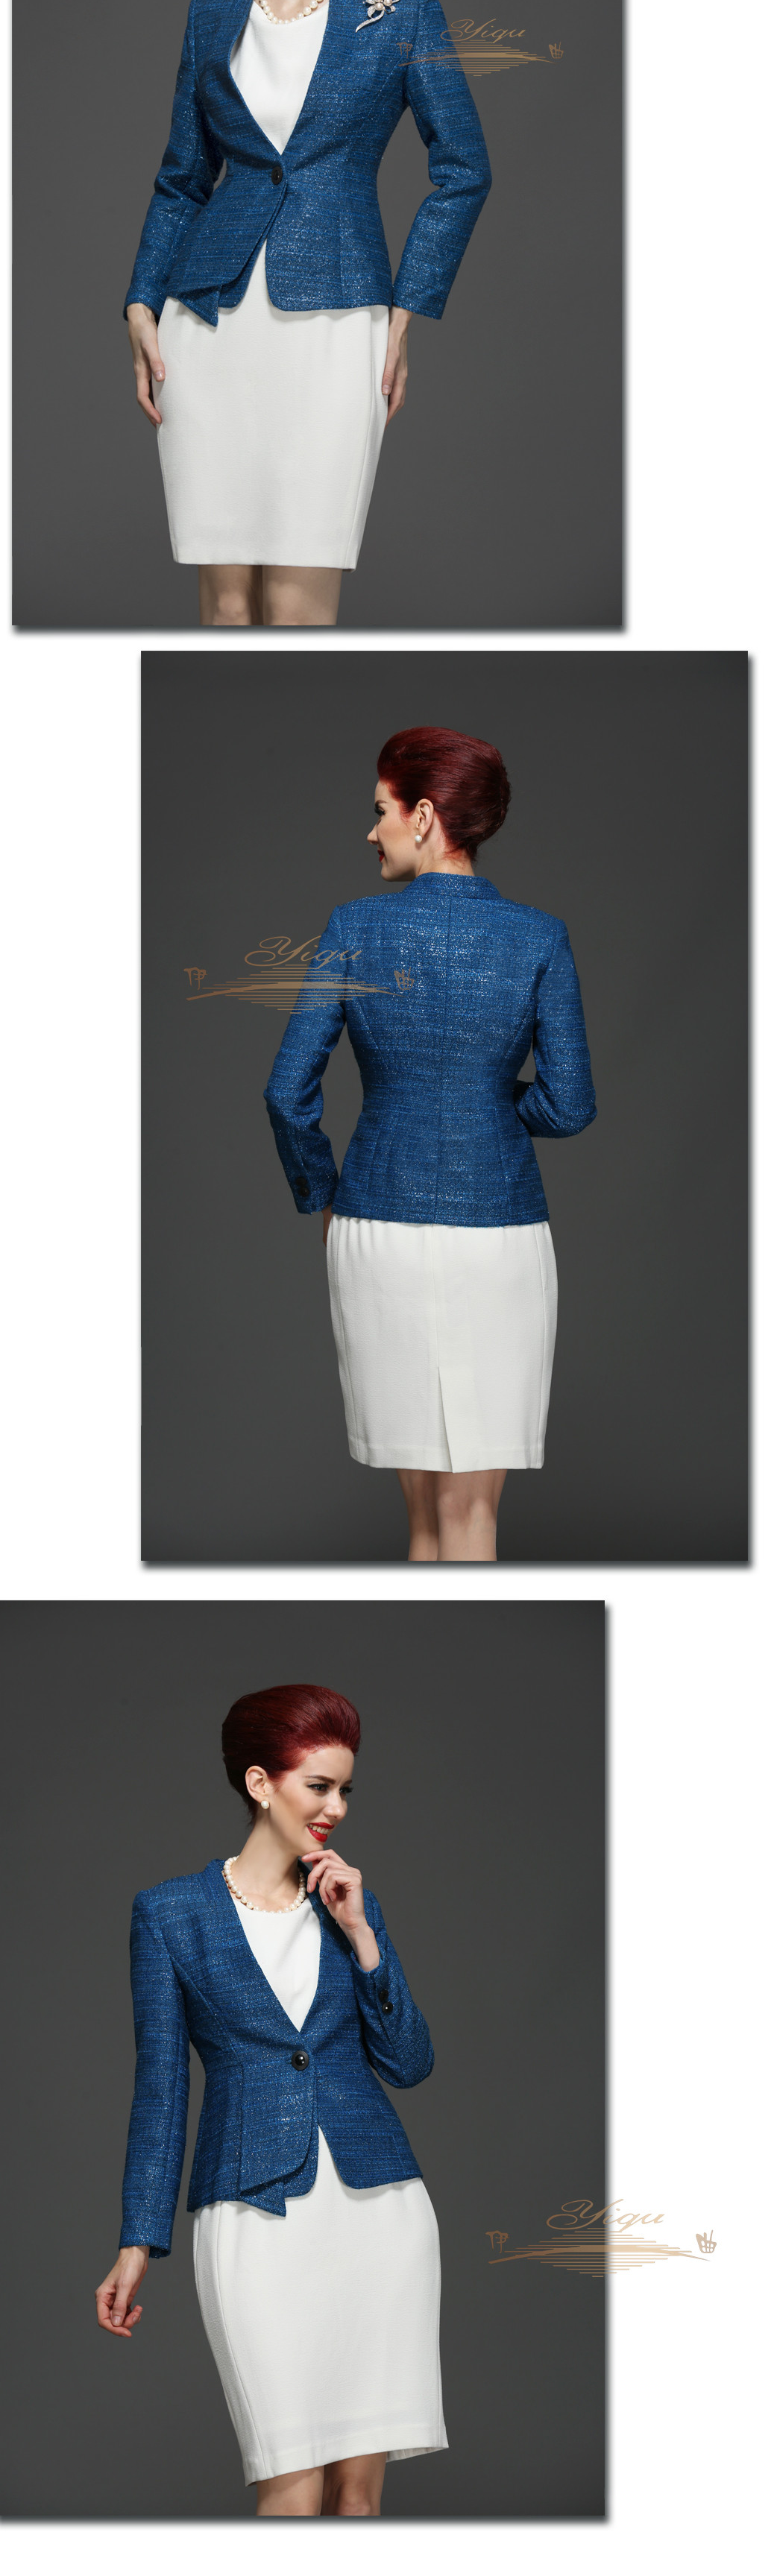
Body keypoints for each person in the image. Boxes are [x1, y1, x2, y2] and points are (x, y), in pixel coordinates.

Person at [125, 0, 491, 627]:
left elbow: (464, 166)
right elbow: (181, 179)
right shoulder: (211, 15)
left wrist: (408, 307)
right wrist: (141, 300)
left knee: (297, 606)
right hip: (206, 326)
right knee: (224, 606)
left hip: (335, 321)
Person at [95, 1685, 445, 2516]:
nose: (337, 1807)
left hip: (378, 2208)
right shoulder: (171, 1914)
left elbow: (409, 2064)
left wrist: (362, 1937)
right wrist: (138, 2240)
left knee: (357, 2500)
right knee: (291, 2492)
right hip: (255, 2210)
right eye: (318, 1785)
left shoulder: (351, 1904)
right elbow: (161, 2087)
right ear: (260, 1782)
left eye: (345, 1789)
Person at [264, 726, 597, 1561]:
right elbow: (569, 1105)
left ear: (422, 815)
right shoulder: (539, 935)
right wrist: (482, 1102)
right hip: (500, 1229)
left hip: (376, 1223)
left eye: (379, 810)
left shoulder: (353, 925)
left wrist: (321, 1193)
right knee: (474, 1516)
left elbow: (285, 1091)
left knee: (420, 1521)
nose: (370, 830)